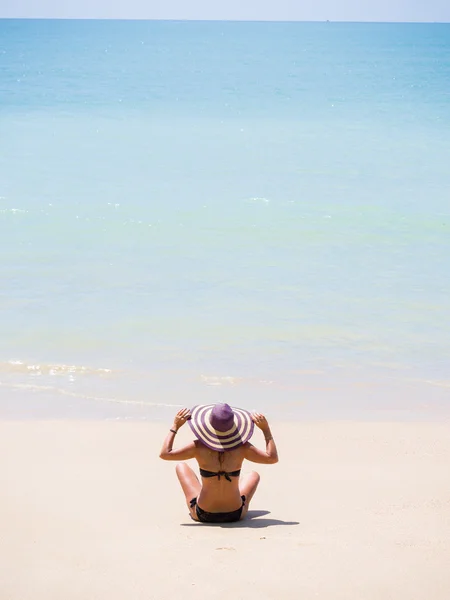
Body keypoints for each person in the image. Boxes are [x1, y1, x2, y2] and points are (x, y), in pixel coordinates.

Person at [159, 403, 278, 523]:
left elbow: (165, 454)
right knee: (253, 475)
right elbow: (272, 458)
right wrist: (265, 430)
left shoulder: (198, 447)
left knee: (181, 466)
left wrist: (175, 426)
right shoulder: (242, 447)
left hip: (203, 514)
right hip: (235, 514)